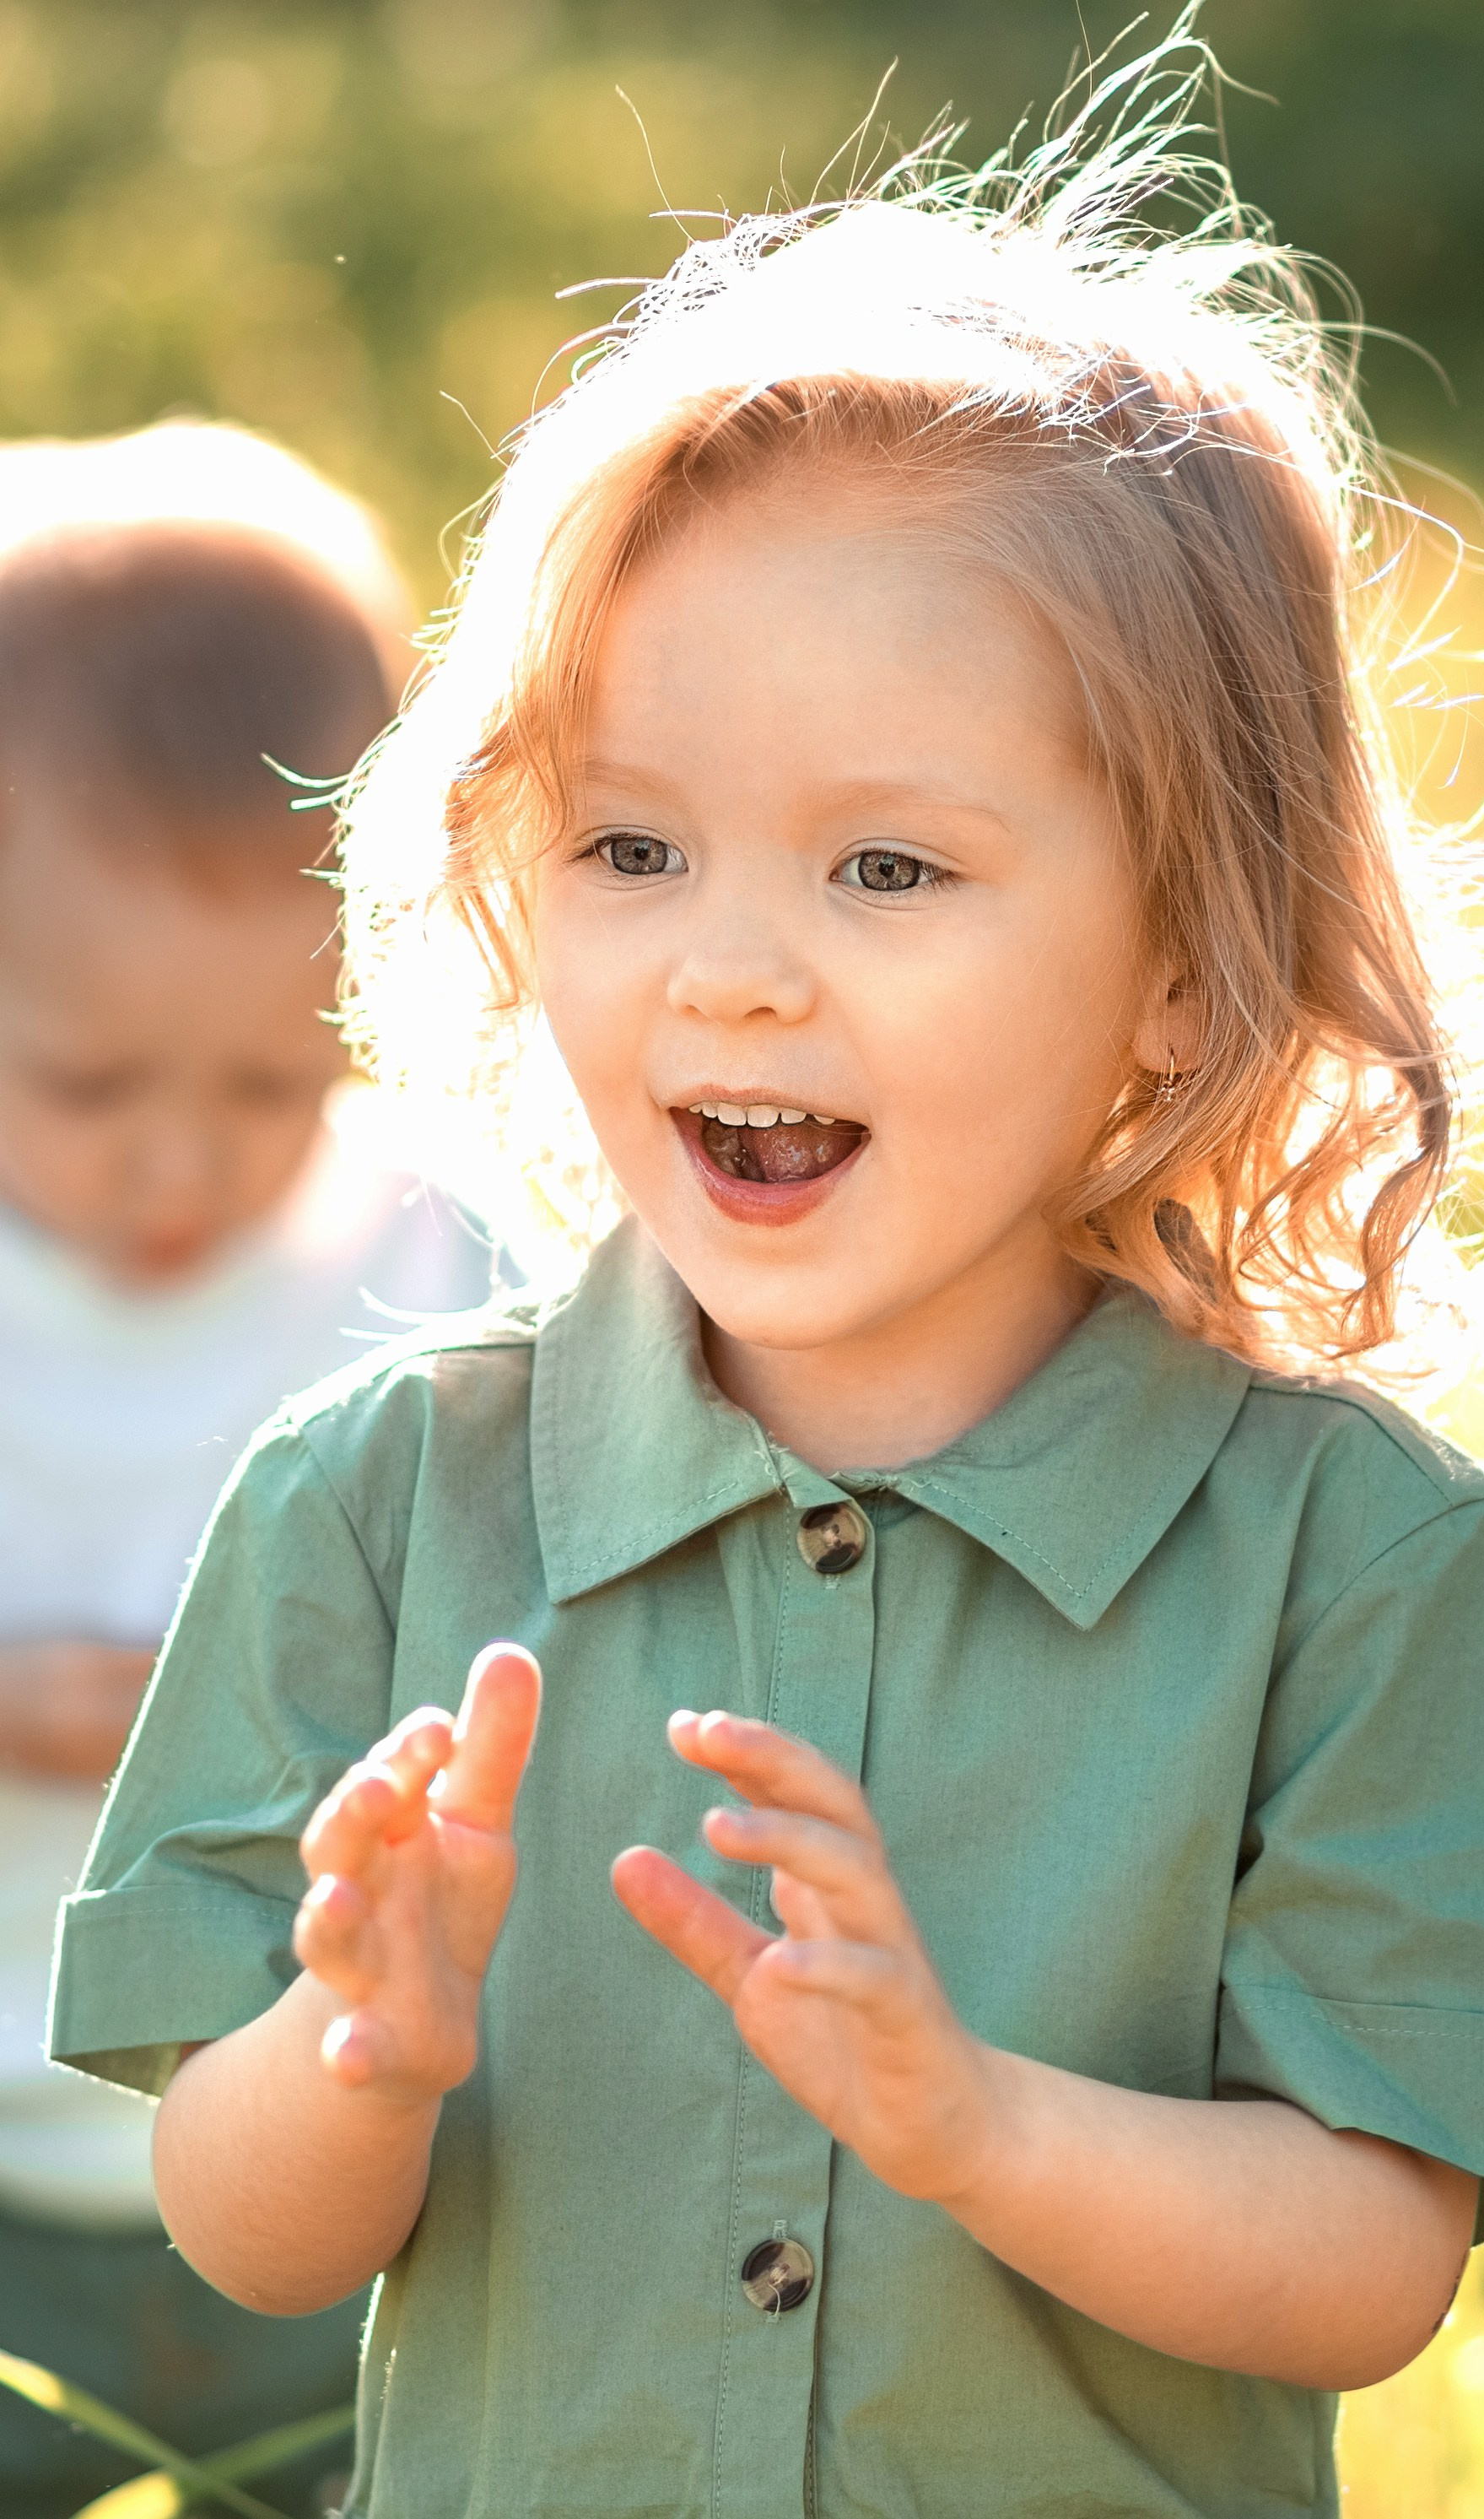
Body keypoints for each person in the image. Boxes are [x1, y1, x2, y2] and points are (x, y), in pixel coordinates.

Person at [49, 53, 1484, 2519]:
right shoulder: (373, 1496)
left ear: (1181, 969)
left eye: (884, 869)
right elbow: (244, 2229)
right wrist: (361, 2051)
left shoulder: (1349, 1558)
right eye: (631, 847)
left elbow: (1365, 2262)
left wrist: (970, 2122)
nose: (730, 970)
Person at [0, 422, 508, 2518]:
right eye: (88, 1081)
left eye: (274, 1080)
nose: (180, 1161)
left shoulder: (448, 1259)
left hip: (340, 2136)